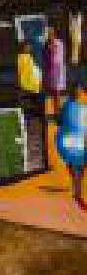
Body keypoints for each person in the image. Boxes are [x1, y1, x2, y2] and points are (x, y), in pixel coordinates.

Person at [58, 79, 87, 212]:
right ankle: (77, 193)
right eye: (77, 90)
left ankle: (77, 190)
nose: (79, 92)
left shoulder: (77, 107)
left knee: (76, 166)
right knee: (78, 166)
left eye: (79, 90)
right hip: (72, 138)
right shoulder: (71, 107)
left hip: (74, 138)